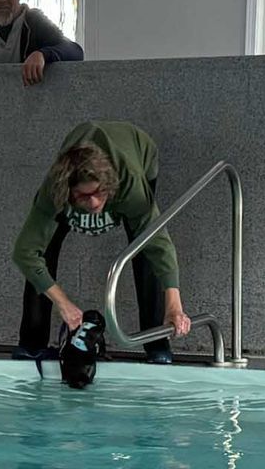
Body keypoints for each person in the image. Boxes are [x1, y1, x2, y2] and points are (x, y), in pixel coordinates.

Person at [12, 121, 192, 364]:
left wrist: (174, 305)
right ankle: (32, 343)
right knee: (44, 249)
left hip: (138, 153)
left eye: (98, 193)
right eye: (84, 196)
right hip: (72, 178)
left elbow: (158, 243)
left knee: (143, 245)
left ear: (107, 185)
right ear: (69, 191)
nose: (94, 203)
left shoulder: (129, 183)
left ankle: (157, 343)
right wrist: (63, 304)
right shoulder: (55, 189)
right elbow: (25, 252)